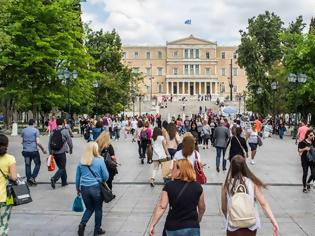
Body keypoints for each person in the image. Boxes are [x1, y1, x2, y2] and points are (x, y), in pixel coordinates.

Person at [221, 155, 279, 236]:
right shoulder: (252, 182)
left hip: (233, 225)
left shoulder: (226, 184)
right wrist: (274, 221)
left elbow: (224, 208)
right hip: (250, 225)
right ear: (245, 167)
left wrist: (230, 216)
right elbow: (263, 204)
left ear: (232, 167)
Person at [149, 159, 206, 236]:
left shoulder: (169, 186)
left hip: (173, 227)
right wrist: (198, 219)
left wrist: (153, 224)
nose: (172, 170)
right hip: (192, 227)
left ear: (180, 170)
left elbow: (162, 206)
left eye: (174, 168)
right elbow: (202, 207)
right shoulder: (197, 187)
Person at [76, 142, 109, 236]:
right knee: (98, 208)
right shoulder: (100, 160)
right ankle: (97, 230)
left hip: (84, 188)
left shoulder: (81, 161)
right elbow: (106, 176)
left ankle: (82, 224)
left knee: (89, 208)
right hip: (96, 188)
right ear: (96, 149)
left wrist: (77, 189)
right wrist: (101, 180)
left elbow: (77, 177)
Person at [0, 134, 17, 235]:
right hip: (5, 197)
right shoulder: (10, 158)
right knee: (3, 224)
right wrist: (8, 174)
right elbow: (14, 177)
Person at [21, 119, 47, 186]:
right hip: (34, 151)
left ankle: (29, 180)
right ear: (34, 123)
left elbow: (22, 141)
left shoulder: (24, 130)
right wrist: (43, 149)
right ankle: (33, 177)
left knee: (27, 165)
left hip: (26, 151)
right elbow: (38, 142)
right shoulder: (36, 130)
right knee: (38, 164)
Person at [49, 118, 73, 189]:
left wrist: (50, 152)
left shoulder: (53, 131)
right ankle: (54, 178)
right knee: (62, 167)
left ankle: (64, 182)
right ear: (62, 123)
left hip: (54, 152)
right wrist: (71, 148)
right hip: (61, 153)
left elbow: (49, 143)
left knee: (61, 167)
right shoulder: (65, 131)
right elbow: (69, 141)